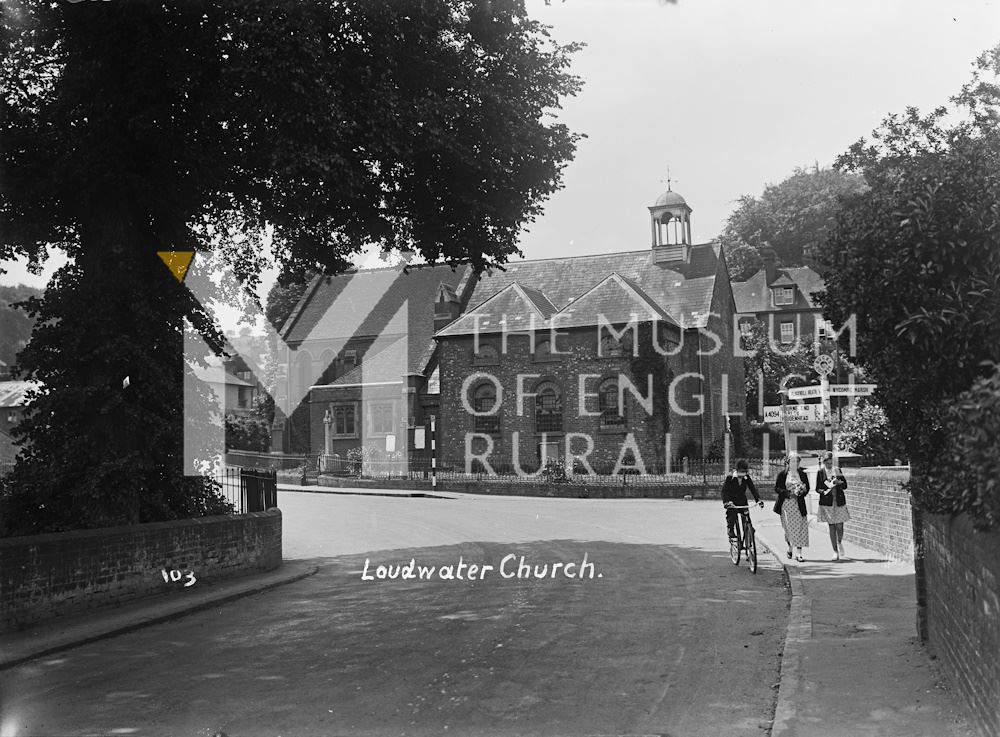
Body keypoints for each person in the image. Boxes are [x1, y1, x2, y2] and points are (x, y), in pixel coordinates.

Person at [774, 452, 810, 562]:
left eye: (797, 461)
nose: (795, 463)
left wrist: (801, 492)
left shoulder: (802, 474)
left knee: (801, 528)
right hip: (786, 505)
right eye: (792, 461)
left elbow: (807, 488)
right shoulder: (783, 474)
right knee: (789, 528)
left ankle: (799, 553)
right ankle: (790, 547)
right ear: (788, 462)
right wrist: (787, 493)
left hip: (799, 504)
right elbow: (777, 488)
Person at [816, 451, 850, 560]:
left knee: (840, 525)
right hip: (827, 503)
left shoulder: (837, 470)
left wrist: (839, 483)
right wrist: (824, 491)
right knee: (831, 526)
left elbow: (845, 485)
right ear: (824, 462)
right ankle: (835, 551)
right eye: (827, 463)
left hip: (838, 501)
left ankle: (839, 542)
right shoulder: (820, 472)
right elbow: (817, 488)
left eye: (831, 463)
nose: (829, 465)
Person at [722, 459, 764, 542]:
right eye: (741, 471)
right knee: (732, 515)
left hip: (742, 501)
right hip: (732, 502)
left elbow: (753, 489)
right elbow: (724, 491)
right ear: (737, 470)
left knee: (747, 520)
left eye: (745, 472)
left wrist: (758, 500)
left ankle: (749, 537)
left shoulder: (746, 478)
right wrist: (726, 502)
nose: (743, 474)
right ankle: (730, 529)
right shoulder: (730, 478)